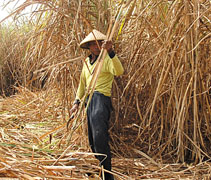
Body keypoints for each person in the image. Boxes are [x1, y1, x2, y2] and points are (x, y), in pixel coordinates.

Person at [70, 29, 124, 180]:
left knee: (100, 136)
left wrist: (111, 51)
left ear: (102, 45)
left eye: (99, 43)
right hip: (89, 100)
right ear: (88, 47)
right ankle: (102, 168)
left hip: (101, 99)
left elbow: (119, 71)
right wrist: (76, 102)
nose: (96, 46)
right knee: (93, 141)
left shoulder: (106, 59)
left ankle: (108, 175)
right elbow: (82, 83)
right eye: (92, 44)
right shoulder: (87, 62)